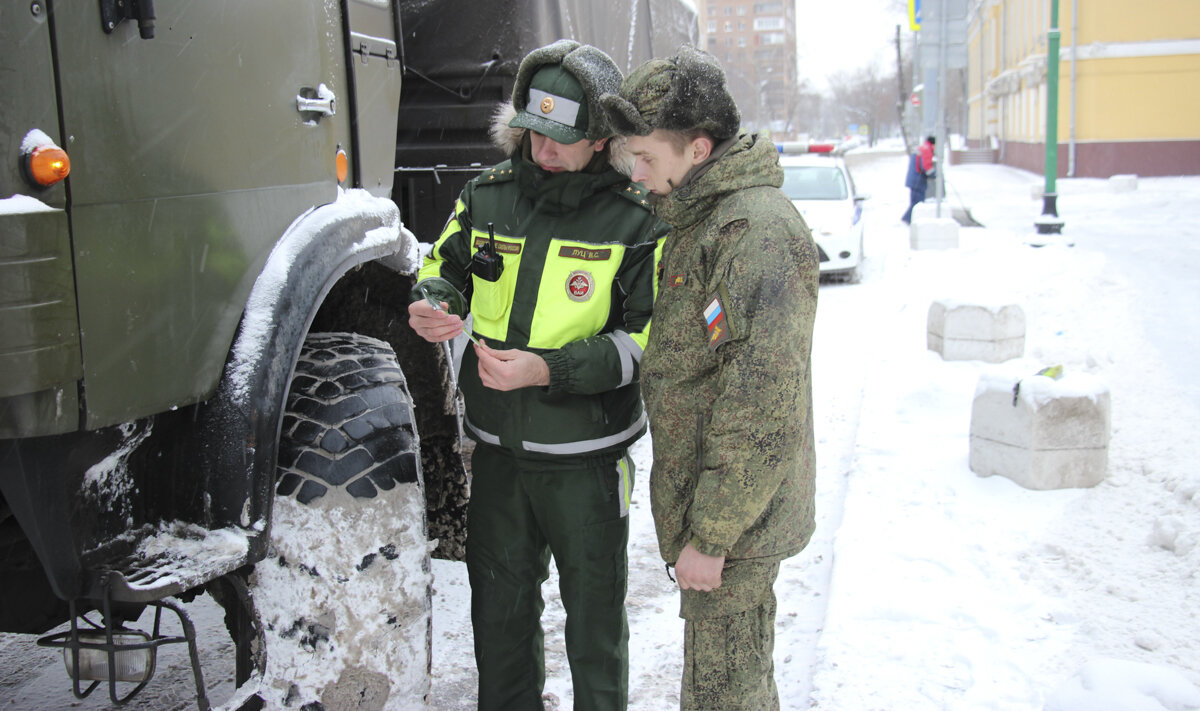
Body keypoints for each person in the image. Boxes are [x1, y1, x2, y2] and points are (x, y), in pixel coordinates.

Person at [407, 39, 667, 711]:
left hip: (586, 463)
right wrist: (438, 303)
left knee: (595, 628)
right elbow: (444, 263)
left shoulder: (637, 220)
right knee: (498, 620)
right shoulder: (486, 196)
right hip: (497, 455)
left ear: (602, 140)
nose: (543, 149)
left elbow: (645, 340)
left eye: (562, 138)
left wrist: (546, 369)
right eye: (533, 133)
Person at [600, 46, 818, 711]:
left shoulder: (753, 234)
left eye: (648, 160)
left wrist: (712, 535)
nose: (638, 176)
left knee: (727, 691)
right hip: (723, 514)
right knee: (722, 682)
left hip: (736, 525)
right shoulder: (705, 222)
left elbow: (761, 403)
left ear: (698, 150)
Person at [901, 135, 936, 224]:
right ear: (933, 144)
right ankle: (908, 219)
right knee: (918, 203)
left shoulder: (922, 148)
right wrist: (934, 174)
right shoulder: (927, 150)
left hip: (914, 179)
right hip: (918, 181)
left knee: (915, 202)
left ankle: (908, 219)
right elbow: (926, 166)